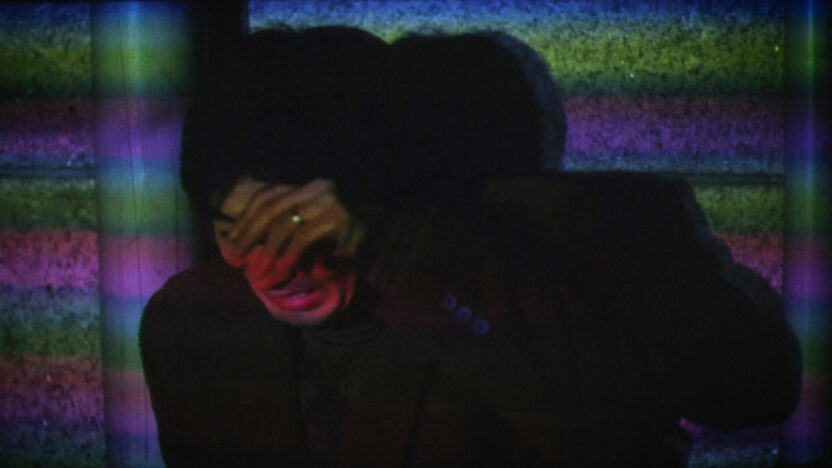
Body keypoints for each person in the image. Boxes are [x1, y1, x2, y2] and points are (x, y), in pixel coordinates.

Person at [140, 26, 802, 467]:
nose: (275, 267)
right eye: (236, 231)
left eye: (296, 226)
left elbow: (655, 427)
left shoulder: (511, 261)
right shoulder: (194, 324)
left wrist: (403, 255)